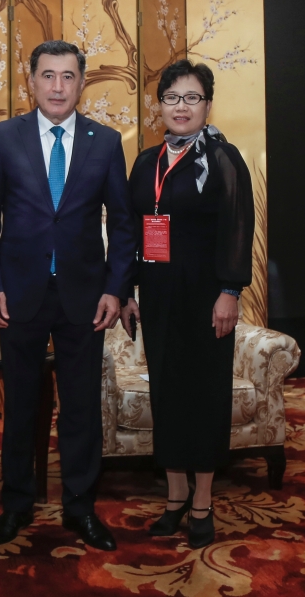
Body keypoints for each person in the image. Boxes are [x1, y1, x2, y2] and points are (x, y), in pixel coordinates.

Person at [0, 40, 138, 551]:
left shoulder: (105, 142)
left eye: (68, 76)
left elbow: (125, 226)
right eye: (48, 75)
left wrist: (116, 290)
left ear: (81, 83)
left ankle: (80, 508)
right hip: (18, 295)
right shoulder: (3, 137)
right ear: (31, 82)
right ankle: (16, 506)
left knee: (81, 407)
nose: (58, 86)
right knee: (21, 406)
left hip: (85, 298)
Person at [128, 59, 254, 548]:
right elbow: (134, 230)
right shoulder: (147, 161)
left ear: (207, 104)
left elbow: (239, 226)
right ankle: (175, 496)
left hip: (207, 300)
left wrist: (230, 291)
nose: (181, 107)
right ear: (159, 104)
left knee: (203, 395)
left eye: (192, 98)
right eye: (172, 98)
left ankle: (202, 501)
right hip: (158, 297)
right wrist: (129, 292)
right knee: (168, 393)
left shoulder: (222, 158)